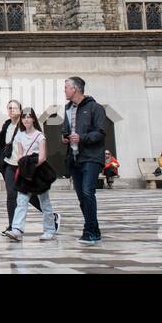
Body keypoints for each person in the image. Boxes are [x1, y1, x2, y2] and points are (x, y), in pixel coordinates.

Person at [61, 76, 107, 244]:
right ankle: (93, 229)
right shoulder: (68, 109)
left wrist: (82, 138)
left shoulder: (95, 108)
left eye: (66, 87)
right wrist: (65, 137)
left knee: (88, 192)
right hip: (74, 158)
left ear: (76, 89)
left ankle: (90, 231)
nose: (64, 90)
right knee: (82, 196)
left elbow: (100, 133)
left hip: (91, 157)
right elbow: (65, 130)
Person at [5, 107, 59, 242]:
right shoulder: (19, 136)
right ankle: (17, 229)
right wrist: (24, 165)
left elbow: (42, 157)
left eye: (29, 117)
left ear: (33, 118)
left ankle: (49, 230)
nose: (26, 119)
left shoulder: (40, 136)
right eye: (24, 117)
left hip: (38, 171)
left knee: (44, 202)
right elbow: (20, 154)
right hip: (25, 171)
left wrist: (31, 166)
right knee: (21, 201)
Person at [0, 99, 40, 234]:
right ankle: (12, 226)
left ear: (20, 111)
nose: (11, 110)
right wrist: (1, 160)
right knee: (11, 195)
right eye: (9, 108)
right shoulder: (7, 126)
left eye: (14, 108)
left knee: (30, 195)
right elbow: (2, 145)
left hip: (24, 165)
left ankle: (51, 215)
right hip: (10, 164)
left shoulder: (25, 125)